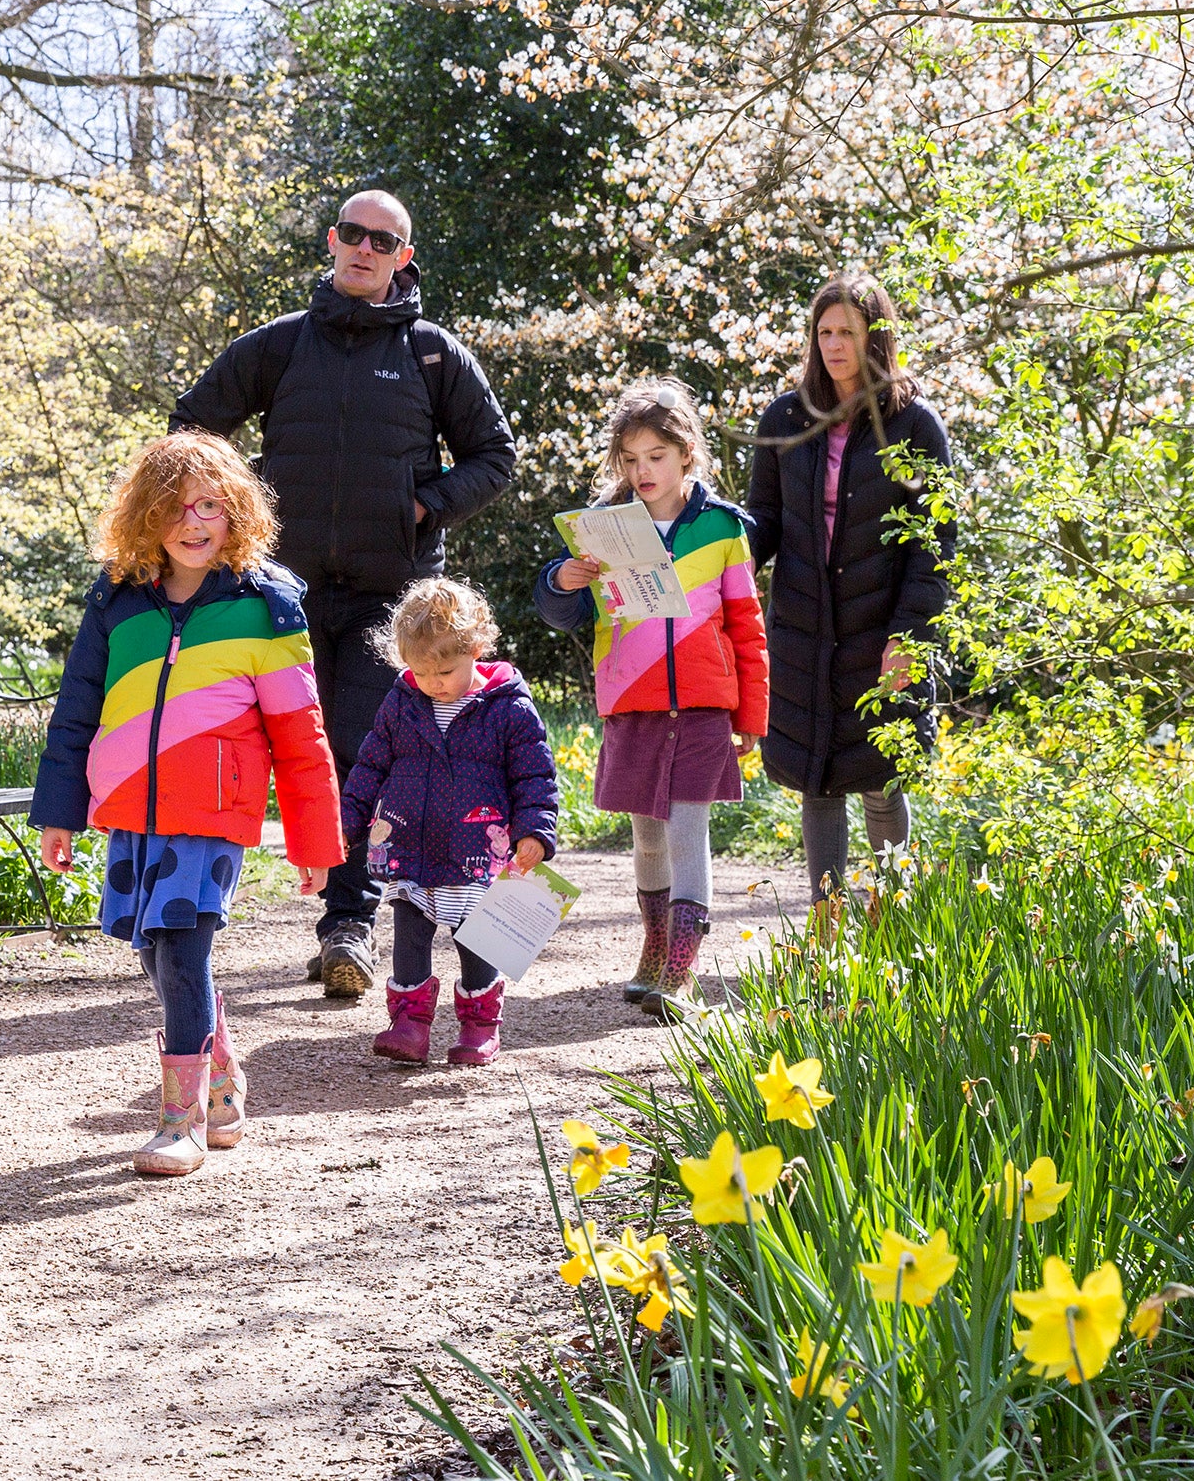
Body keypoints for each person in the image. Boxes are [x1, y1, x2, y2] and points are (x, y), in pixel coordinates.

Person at [170, 189, 518, 1000]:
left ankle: (347, 927)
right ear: (333, 241)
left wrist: (425, 503)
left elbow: (494, 456)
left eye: (384, 239)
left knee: (359, 756)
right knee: (262, 756)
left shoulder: (433, 353)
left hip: (384, 601)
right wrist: (237, 514)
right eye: (353, 234)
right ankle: (192, 923)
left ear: (403, 256)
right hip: (278, 595)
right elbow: (191, 430)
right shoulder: (281, 347)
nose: (365, 248)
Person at [30, 433, 343, 1177]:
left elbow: (301, 734)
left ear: (236, 513)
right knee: (152, 951)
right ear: (146, 516)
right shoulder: (117, 599)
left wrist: (315, 841)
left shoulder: (265, 606)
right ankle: (222, 1076)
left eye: (210, 505)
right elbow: (76, 711)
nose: (193, 521)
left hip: (211, 810)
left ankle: (183, 1119)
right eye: (175, 507)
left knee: (182, 945)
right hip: (131, 809)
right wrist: (59, 811)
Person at [534, 381, 770, 1016]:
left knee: (689, 830)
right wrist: (563, 578)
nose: (643, 471)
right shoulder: (602, 528)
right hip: (633, 702)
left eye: (656, 456)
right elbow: (559, 611)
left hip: (702, 704)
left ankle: (682, 969)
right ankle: (656, 946)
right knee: (647, 837)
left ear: (686, 453)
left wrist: (752, 714)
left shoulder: (722, 529)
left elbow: (748, 626)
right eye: (631, 459)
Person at [742, 273, 954, 917]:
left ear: (876, 338)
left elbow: (935, 543)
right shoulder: (785, 417)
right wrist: (707, 555)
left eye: (848, 333)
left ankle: (893, 921)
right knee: (818, 779)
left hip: (882, 631)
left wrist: (911, 635)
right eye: (824, 332)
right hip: (804, 633)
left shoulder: (916, 425)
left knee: (882, 778)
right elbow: (764, 524)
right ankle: (827, 926)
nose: (834, 345)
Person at [338, 579, 560, 1067]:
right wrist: (345, 824)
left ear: (476, 650)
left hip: (476, 848)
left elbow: (534, 773)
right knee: (410, 931)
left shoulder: (508, 706)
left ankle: (479, 1024)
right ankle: (409, 1023)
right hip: (409, 845)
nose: (433, 682)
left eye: (445, 670)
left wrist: (535, 831)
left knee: (476, 936)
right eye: (420, 671)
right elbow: (371, 765)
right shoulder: (402, 701)